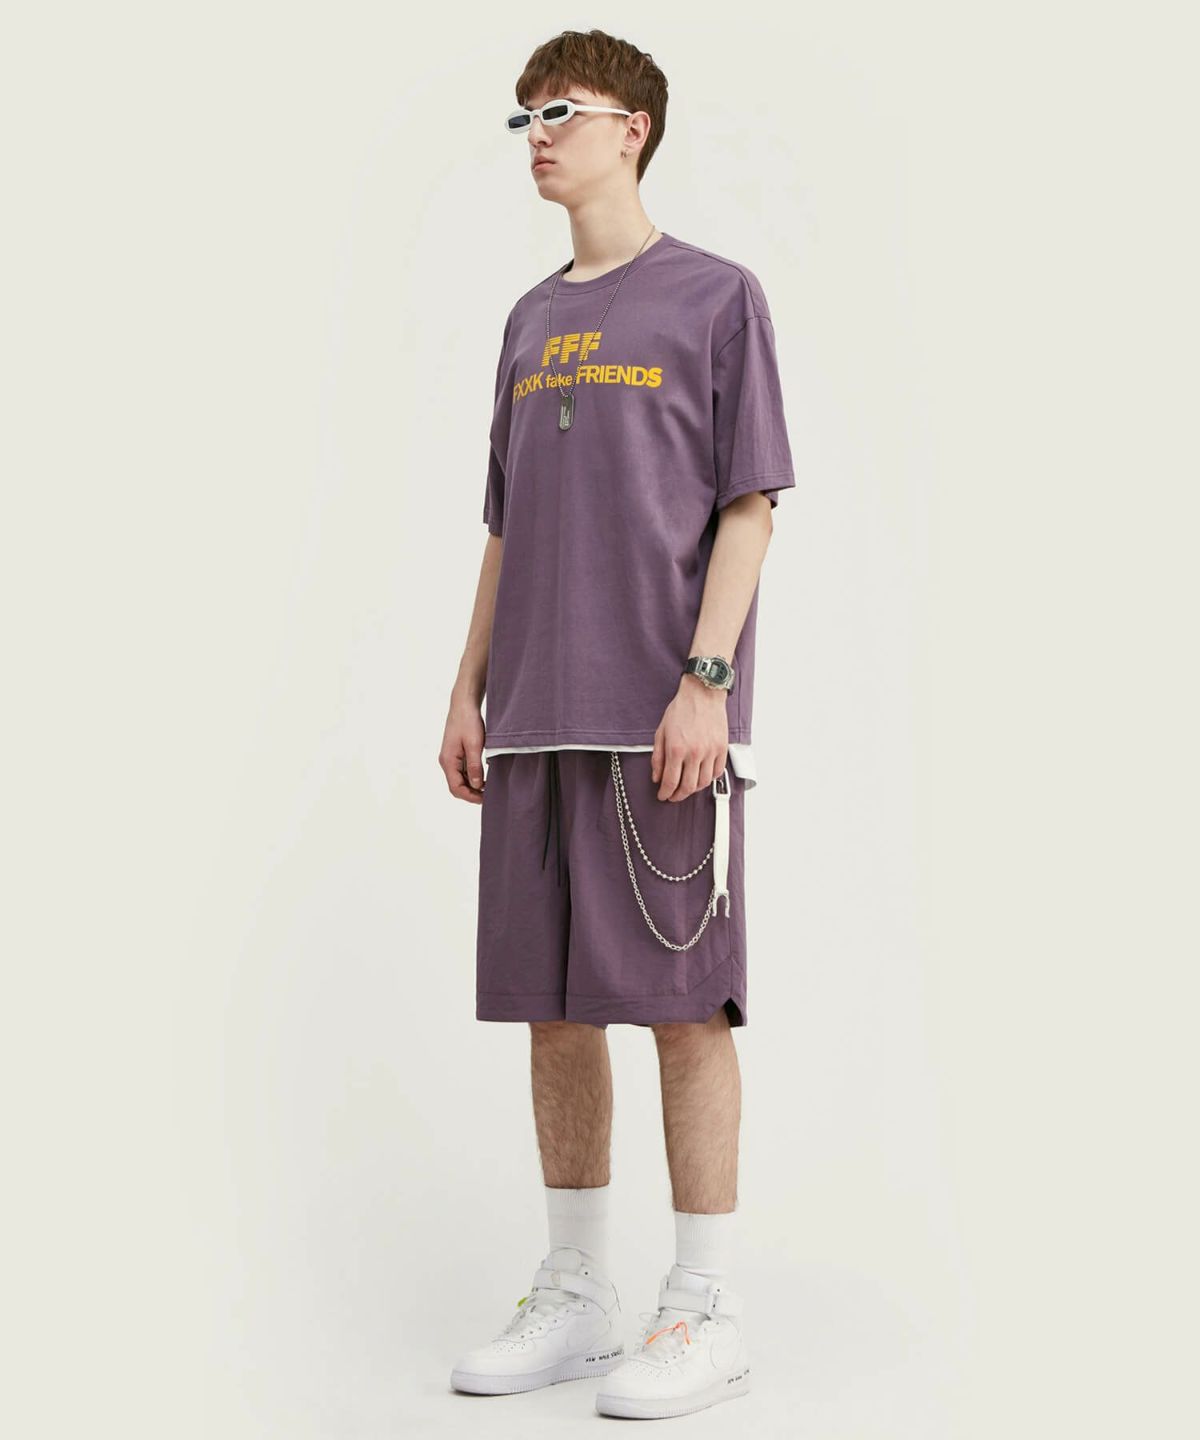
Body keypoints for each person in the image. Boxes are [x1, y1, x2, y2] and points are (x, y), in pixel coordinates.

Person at [439, 28, 795, 1420]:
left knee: (685, 1008)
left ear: (632, 127)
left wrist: (707, 680)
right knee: (553, 1010)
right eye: (524, 114)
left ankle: (703, 1306)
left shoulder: (715, 297)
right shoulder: (528, 322)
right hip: (532, 718)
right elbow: (505, 524)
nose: (537, 132)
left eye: (563, 110)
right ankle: (578, 1293)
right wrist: (466, 685)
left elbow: (749, 506)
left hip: (662, 720)